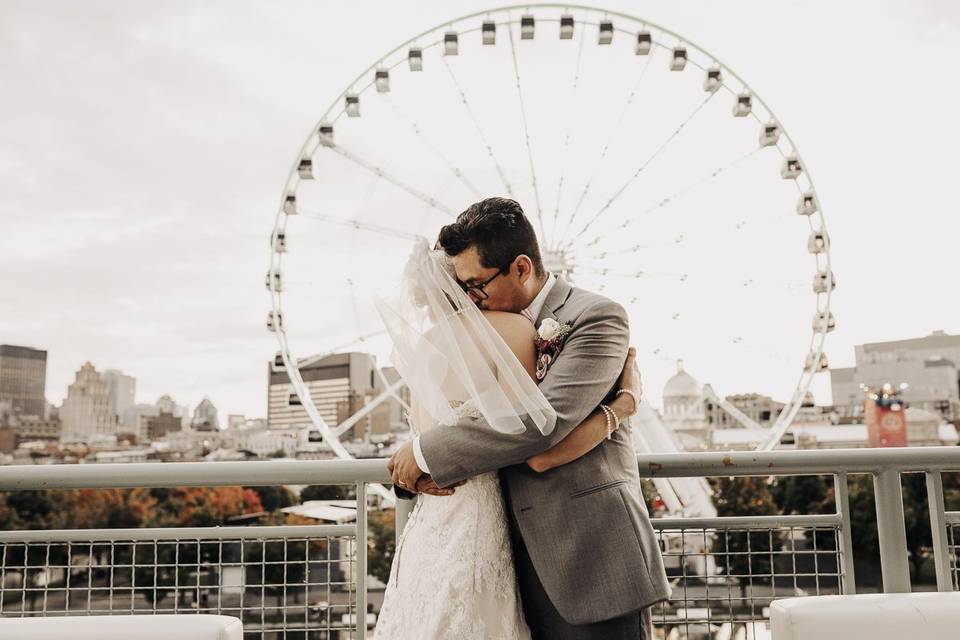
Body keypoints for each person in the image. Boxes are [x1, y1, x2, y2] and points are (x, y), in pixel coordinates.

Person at [385, 197, 670, 639]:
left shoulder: (596, 317)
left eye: (477, 285)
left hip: (588, 557)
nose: (470, 298)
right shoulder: (485, 332)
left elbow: (545, 422)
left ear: (520, 267)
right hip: (504, 563)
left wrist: (425, 454)